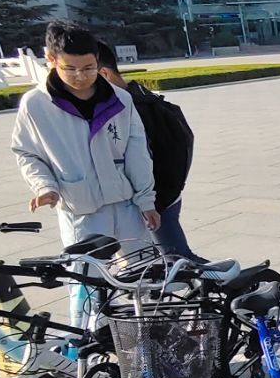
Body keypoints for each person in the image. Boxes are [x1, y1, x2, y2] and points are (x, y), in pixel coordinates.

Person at [12, 21, 158, 323]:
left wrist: (146, 200)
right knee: (87, 288)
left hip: (126, 205)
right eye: (70, 69)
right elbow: (27, 152)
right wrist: (44, 186)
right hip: (82, 211)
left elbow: (137, 152)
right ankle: (88, 344)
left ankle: (147, 334)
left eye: (89, 68)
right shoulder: (37, 104)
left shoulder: (120, 99)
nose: (80, 76)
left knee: (145, 279)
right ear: (51, 60)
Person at [95, 41, 198, 261]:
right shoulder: (140, 94)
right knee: (170, 260)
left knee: (178, 260)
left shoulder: (131, 107)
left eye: (86, 72)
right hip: (165, 193)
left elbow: (140, 160)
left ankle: (236, 278)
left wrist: (148, 202)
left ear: (103, 74)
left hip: (155, 198)